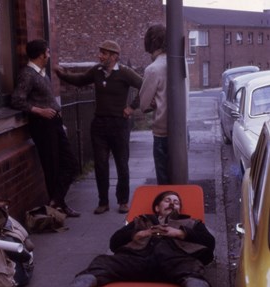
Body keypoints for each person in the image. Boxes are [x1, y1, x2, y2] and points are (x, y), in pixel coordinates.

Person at [27, 190, 234, 287]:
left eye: (176, 202)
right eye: (167, 201)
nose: (173, 204)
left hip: (176, 260)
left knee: (193, 272)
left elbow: (210, 244)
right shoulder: (141, 221)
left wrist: (180, 233)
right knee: (101, 263)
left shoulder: (191, 223)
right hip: (136, 259)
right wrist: (137, 234)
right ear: (157, 207)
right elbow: (114, 243)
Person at [54, 40, 142, 215]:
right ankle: (103, 202)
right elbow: (79, 80)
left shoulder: (125, 73)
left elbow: (145, 86)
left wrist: (132, 107)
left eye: (104, 53)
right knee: (100, 165)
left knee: (122, 164)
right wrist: (61, 74)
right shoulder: (96, 71)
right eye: (100, 52)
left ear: (114, 56)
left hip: (119, 124)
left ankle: (123, 201)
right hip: (99, 125)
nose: (99, 56)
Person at [11, 39, 80, 218]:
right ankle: (58, 206)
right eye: (48, 53)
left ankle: (56, 201)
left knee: (71, 164)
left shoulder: (42, 74)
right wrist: (39, 111)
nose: (49, 56)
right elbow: (17, 99)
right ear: (42, 54)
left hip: (54, 123)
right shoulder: (27, 74)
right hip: (42, 126)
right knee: (52, 166)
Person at [140, 24, 169, 184]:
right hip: (182, 132)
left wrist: (153, 102)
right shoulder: (181, 63)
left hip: (162, 134)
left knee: (164, 184)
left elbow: (144, 105)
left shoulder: (153, 69)